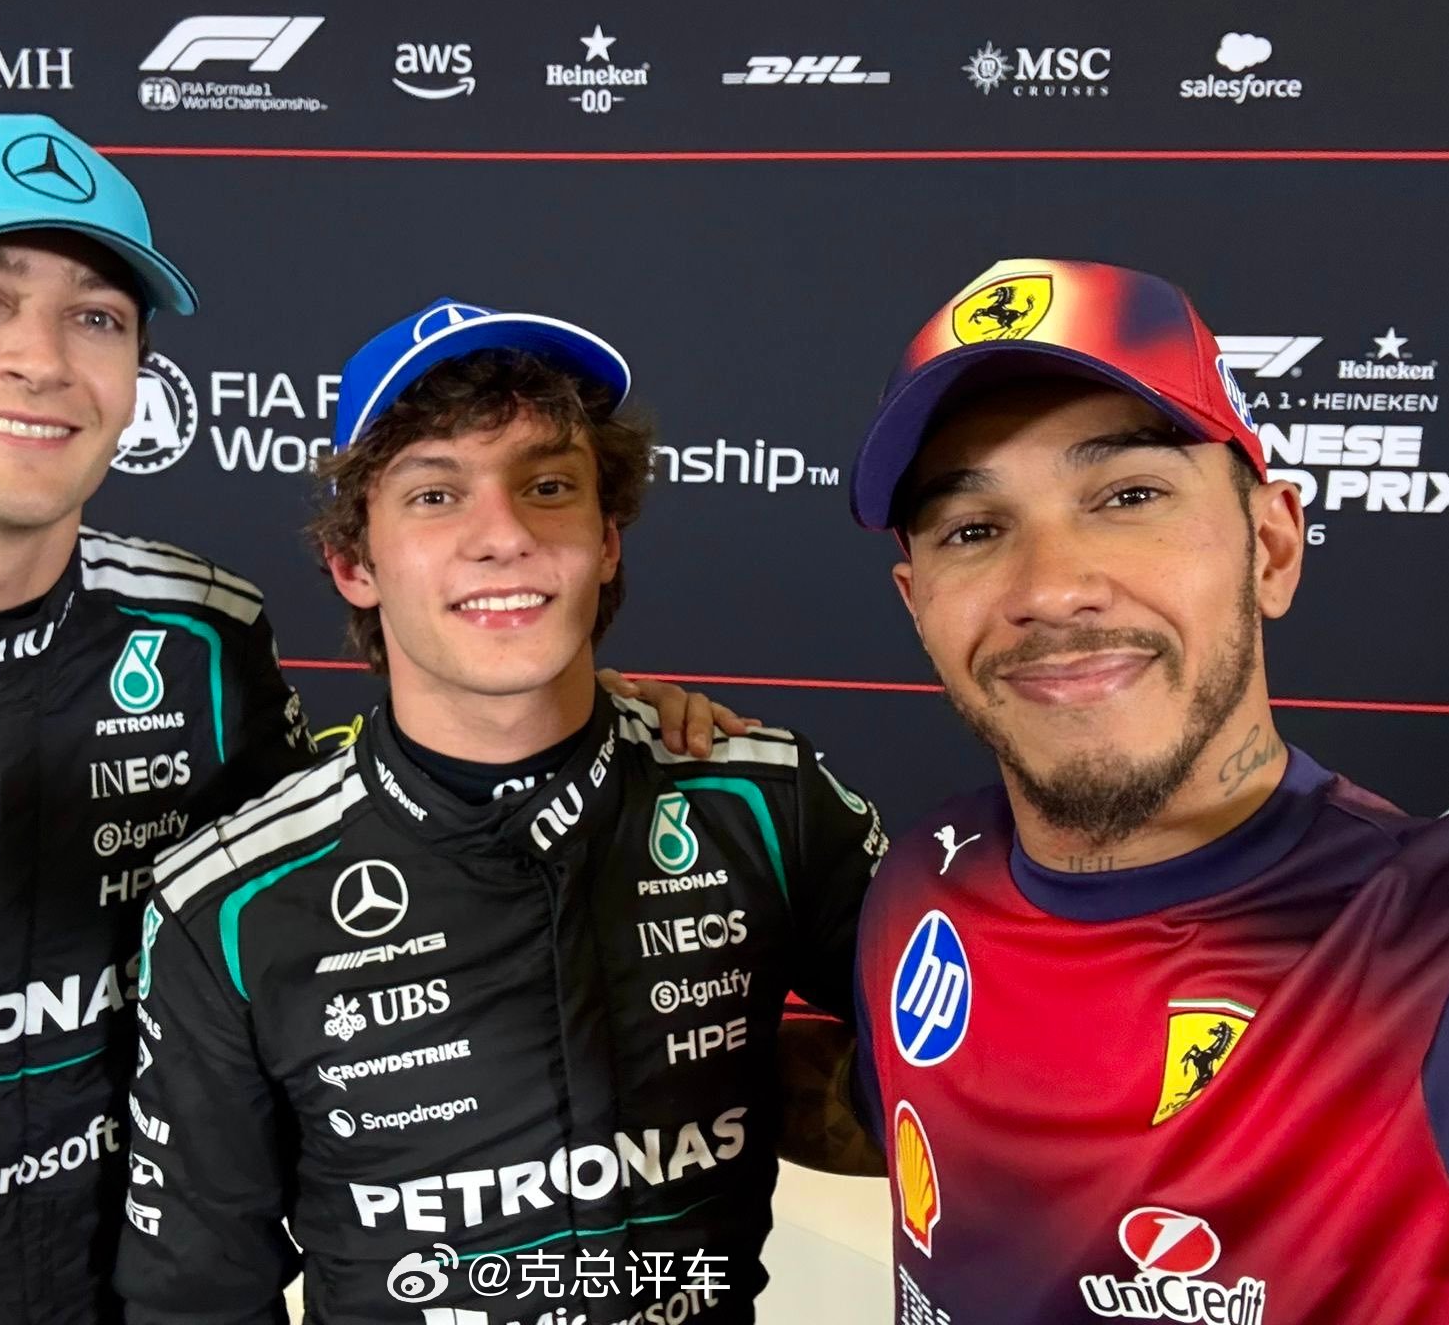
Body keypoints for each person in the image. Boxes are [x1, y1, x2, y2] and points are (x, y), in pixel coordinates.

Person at [0, 115, 726, 1325]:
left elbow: (332, 852)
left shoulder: (204, 637)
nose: (39, 358)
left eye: (96, 318)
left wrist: (556, 719)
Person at [115, 301, 888, 1325]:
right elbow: (196, 1298)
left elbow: (974, 1059)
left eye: (548, 487)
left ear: (606, 541)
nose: (506, 537)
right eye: (435, 494)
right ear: (354, 564)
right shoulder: (229, 905)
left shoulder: (762, 800)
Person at [844, 257, 1449, 1323]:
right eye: (973, 528)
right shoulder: (920, 879)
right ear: (917, 603)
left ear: (1271, 548)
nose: (1051, 588)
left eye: (1128, 496)